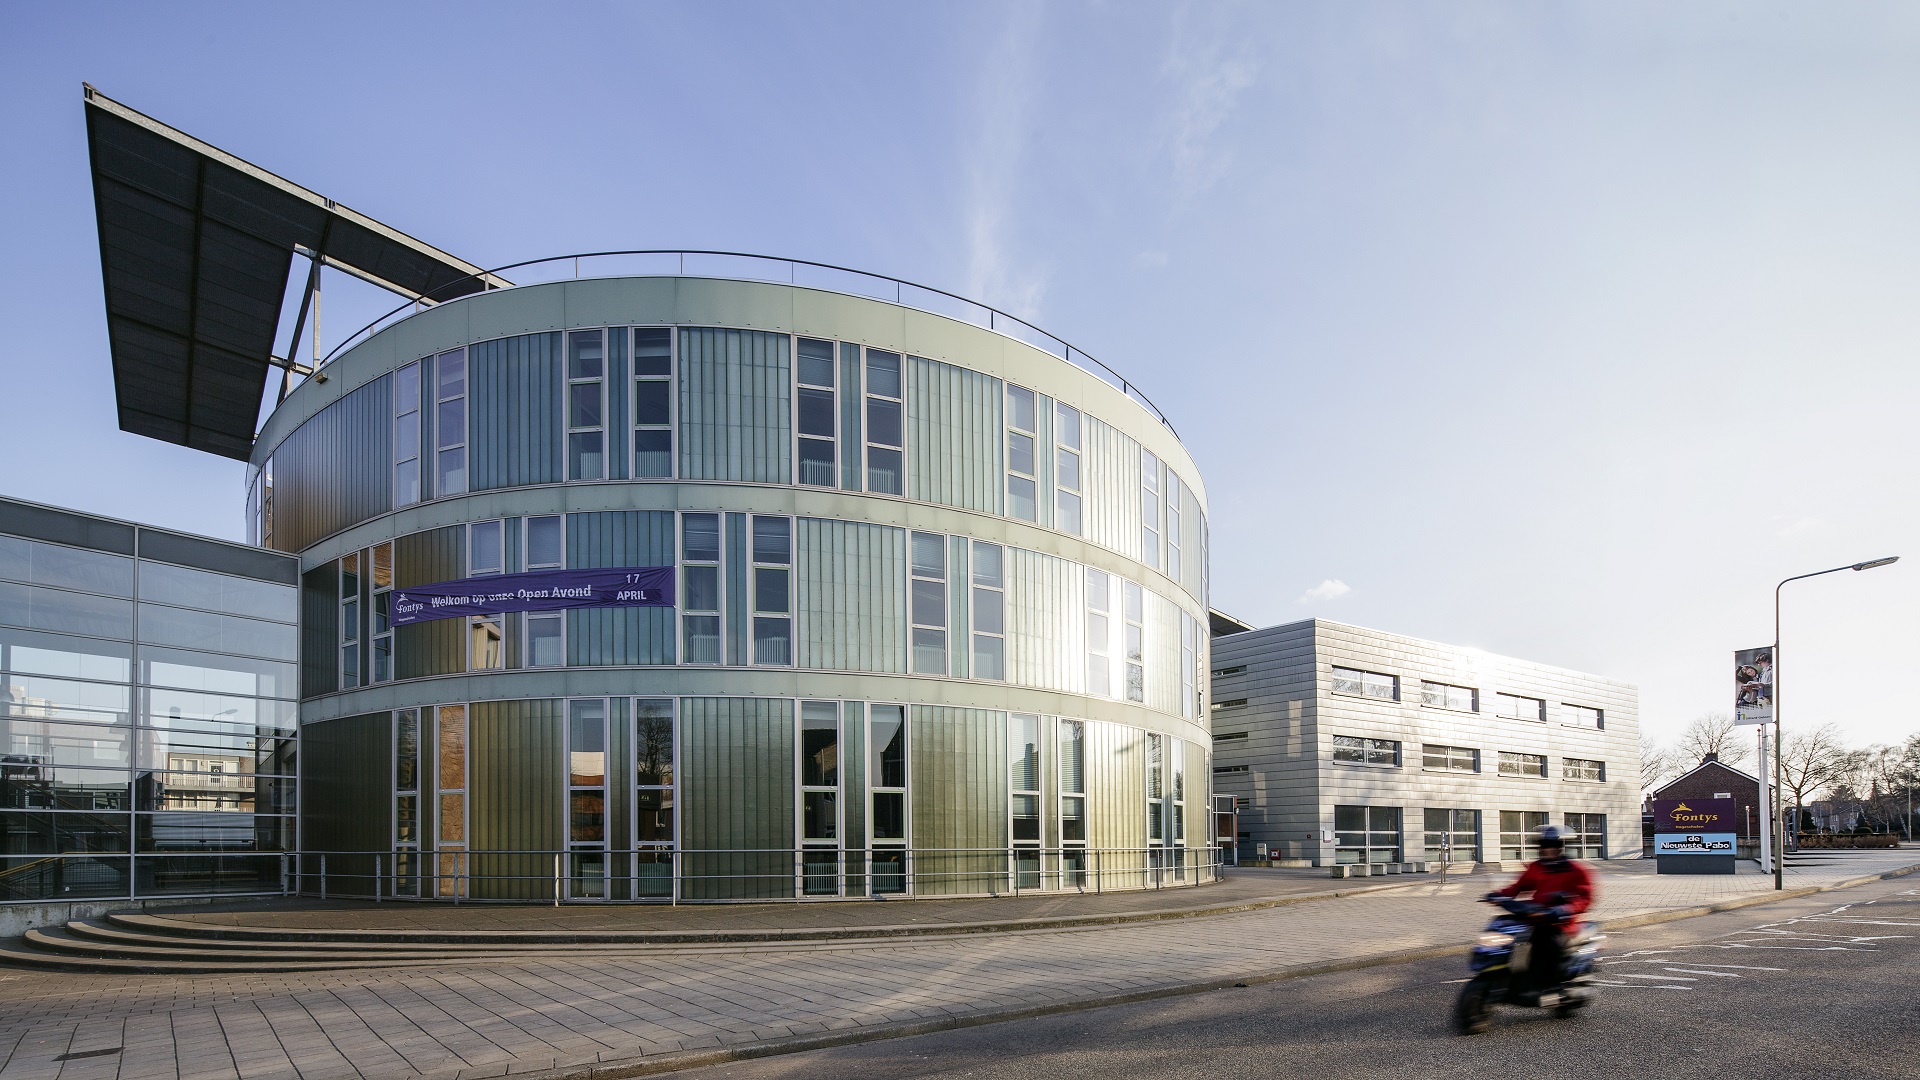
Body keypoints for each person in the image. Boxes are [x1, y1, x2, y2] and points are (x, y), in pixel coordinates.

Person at [1489, 825, 1595, 1001]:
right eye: (1544, 845)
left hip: (1560, 922)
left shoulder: (1576, 870)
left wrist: (1566, 908)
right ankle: (1510, 981)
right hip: (1535, 918)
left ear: (1560, 848)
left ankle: (1551, 986)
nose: (1547, 849)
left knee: (1545, 943)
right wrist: (1498, 895)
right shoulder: (1536, 867)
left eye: (1552, 845)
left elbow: (1585, 897)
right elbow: (1518, 887)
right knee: (1507, 934)